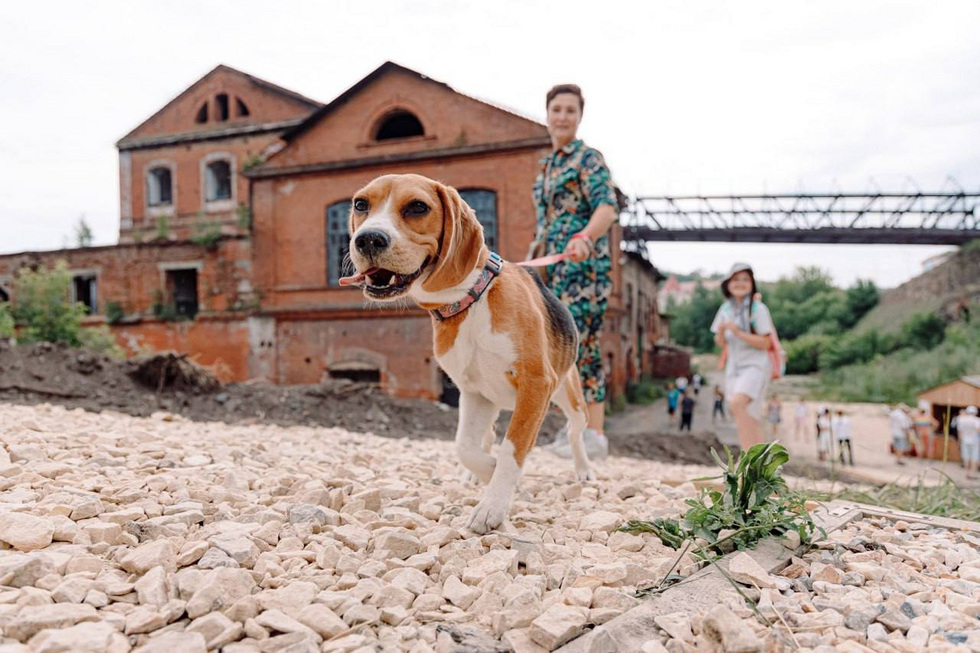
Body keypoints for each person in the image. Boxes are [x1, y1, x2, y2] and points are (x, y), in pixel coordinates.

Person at [530, 84, 619, 461]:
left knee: (584, 345)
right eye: (557, 109)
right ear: (547, 114)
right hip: (554, 271)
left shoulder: (587, 159)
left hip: (584, 269)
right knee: (557, 347)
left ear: (579, 117)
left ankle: (594, 433)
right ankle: (572, 432)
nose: (563, 116)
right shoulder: (548, 165)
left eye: (571, 110)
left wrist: (585, 236)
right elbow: (546, 223)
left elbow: (607, 207)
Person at [710, 263, 774, 450]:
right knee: (745, 414)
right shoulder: (725, 310)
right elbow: (720, 343)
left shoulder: (757, 309)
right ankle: (760, 463)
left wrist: (738, 332)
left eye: (745, 279)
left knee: (738, 404)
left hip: (755, 365)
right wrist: (722, 332)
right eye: (736, 279)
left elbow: (766, 342)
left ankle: (747, 459)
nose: (741, 283)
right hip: (734, 367)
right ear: (728, 284)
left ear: (752, 284)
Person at [958, 406, 980, 479]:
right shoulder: (977, 420)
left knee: (966, 456)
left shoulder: (961, 420)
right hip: (974, 441)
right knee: (974, 457)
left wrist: (960, 440)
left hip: (965, 440)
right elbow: (978, 429)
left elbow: (960, 431)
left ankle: (966, 472)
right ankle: (972, 473)